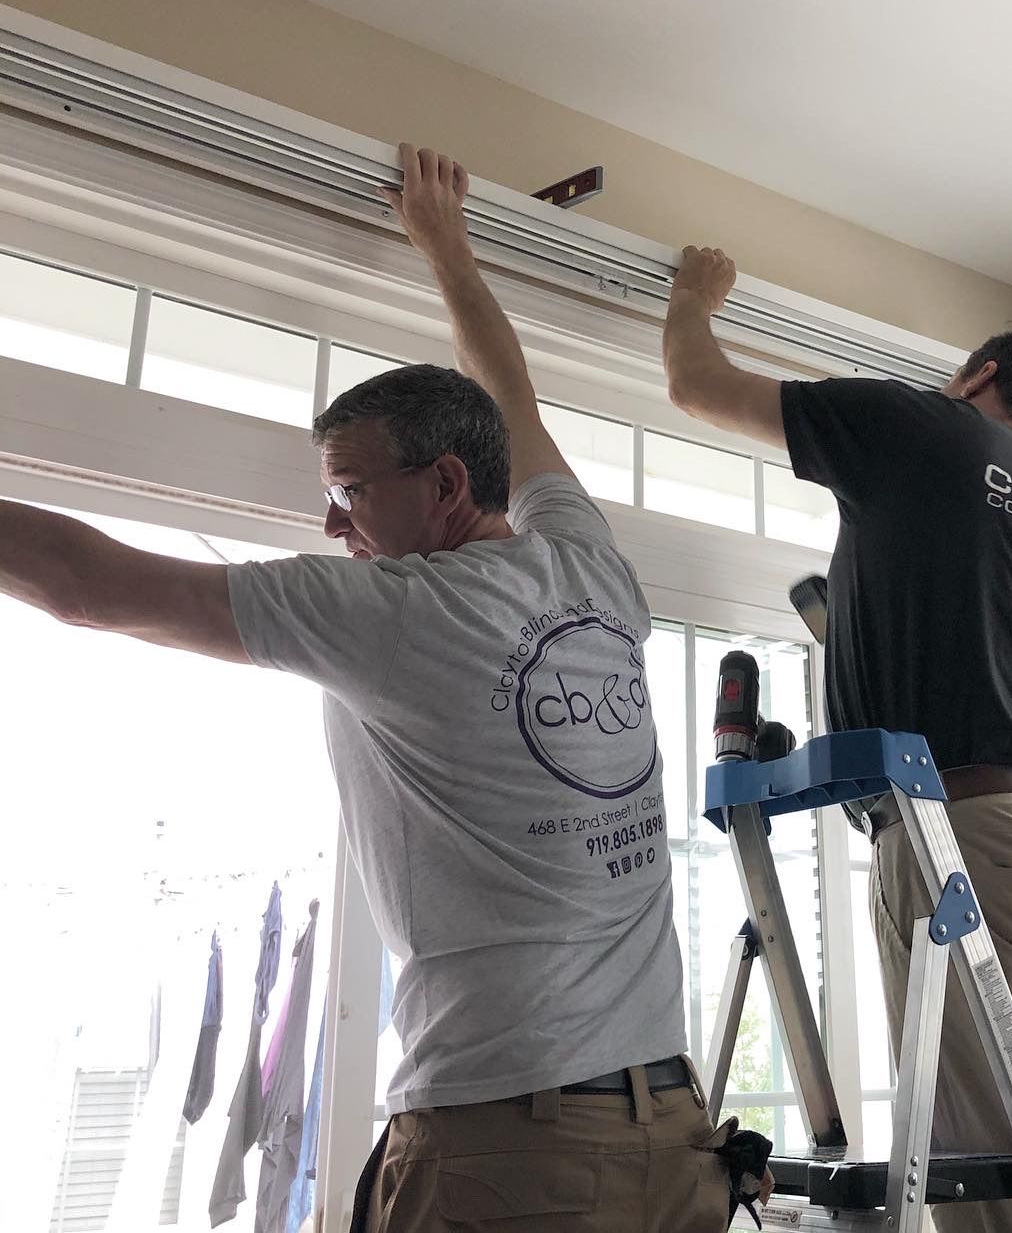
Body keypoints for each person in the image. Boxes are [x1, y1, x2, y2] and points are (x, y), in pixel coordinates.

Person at [0, 147, 733, 1233]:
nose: (333, 525)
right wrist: (446, 246)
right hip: (674, 1134)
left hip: (515, 1147)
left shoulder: (402, 612)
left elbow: (85, 586)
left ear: (444, 486)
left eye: (347, 493)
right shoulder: (586, 559)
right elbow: (509, 398)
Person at [663, 245, 1012, 1233]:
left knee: (986, 1193)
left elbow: (698, 386)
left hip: (974, 841)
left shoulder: (925, 425)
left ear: (981, 376)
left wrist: (694, 297)